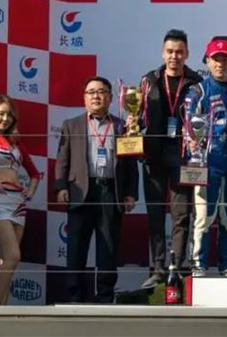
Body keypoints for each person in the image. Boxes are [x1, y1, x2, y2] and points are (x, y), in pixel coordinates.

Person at [54, 77, 138, 303]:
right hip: (80, 191)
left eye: (101, 92)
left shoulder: (123, 126)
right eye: (91, 92)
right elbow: (62, 160)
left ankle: (105, 296)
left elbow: (131, 163)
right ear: (84, 98)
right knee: (76, 247)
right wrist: (61, 187)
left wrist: (131, 193)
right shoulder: (71, 125)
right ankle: (75, 297)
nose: (96, 96)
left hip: (110, 191)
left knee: (108, 247)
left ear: (110, 98)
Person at [138, 29, 203, 288]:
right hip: (153, 154)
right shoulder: (149, 80)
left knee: (181, 214)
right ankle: (157, 268)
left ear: (187, 54)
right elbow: (138, 116)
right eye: (170, 52)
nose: (174, 56)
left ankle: (176, 265)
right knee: (155, 214)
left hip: (183, 154)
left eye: (179, 52)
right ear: (162, 53)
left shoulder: (196, 82)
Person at [185, 39, 227, 277]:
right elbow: (188, 128)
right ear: (207, 61)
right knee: (204, 215)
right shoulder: (198, 91)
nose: (220, 64)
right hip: (207, 160)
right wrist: (192, 149)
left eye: (225, 58)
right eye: (215, 59)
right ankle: (199, 264)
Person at [0, 95, 41, 305]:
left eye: (9, 115)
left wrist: (30, 191)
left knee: (6, 260)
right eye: (1, 114)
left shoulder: (15, 143)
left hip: (18, 204)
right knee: (13, 256)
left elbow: (34, 173)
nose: (5, 119)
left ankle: (3, 309)